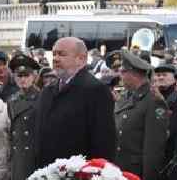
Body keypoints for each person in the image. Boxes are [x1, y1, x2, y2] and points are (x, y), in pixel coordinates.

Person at [34, 37, 116, 169]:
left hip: (78, 177)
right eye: (54, 54)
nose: (55, 58)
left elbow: (104, 142)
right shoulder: (47, 92)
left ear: (81, 59)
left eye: (62, 54)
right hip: (47, 174)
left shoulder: (95, 90)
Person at [114, 50, 169, 180]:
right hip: (122, 172)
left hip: (137, 177)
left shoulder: (153, 100)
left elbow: (153, 149)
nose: (120, 75)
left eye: (123, 72)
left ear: (134, 74)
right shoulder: (128, 97)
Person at [7, 54, 42, 180]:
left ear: (34, 76)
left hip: (34, 152)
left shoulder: (42, 97)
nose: (22, 79)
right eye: (19, 76)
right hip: (19, 151)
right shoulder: (13, 99)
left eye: (26, 75)